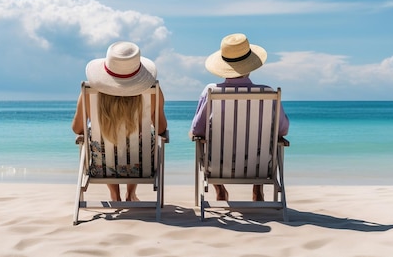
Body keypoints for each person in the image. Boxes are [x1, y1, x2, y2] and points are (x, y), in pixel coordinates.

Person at [190, 33, 289, 202]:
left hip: (218, 165)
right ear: (249, 65)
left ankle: (220, 190)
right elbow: (283, 129)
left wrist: (193, 133)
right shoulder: (267, 92)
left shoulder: (211, 91)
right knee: (266, 144)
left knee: (198, 138)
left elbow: (198, 129)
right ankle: (258, 191)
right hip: (260, 166)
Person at [71, 41, 167, 202]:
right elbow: (161, 128)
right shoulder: (152, 91)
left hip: (101, 168)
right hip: (141, 168)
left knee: (102, 142)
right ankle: (130, 194)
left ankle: (114, 195)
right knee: (142, 140)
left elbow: (77, 128)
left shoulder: (88, 92)